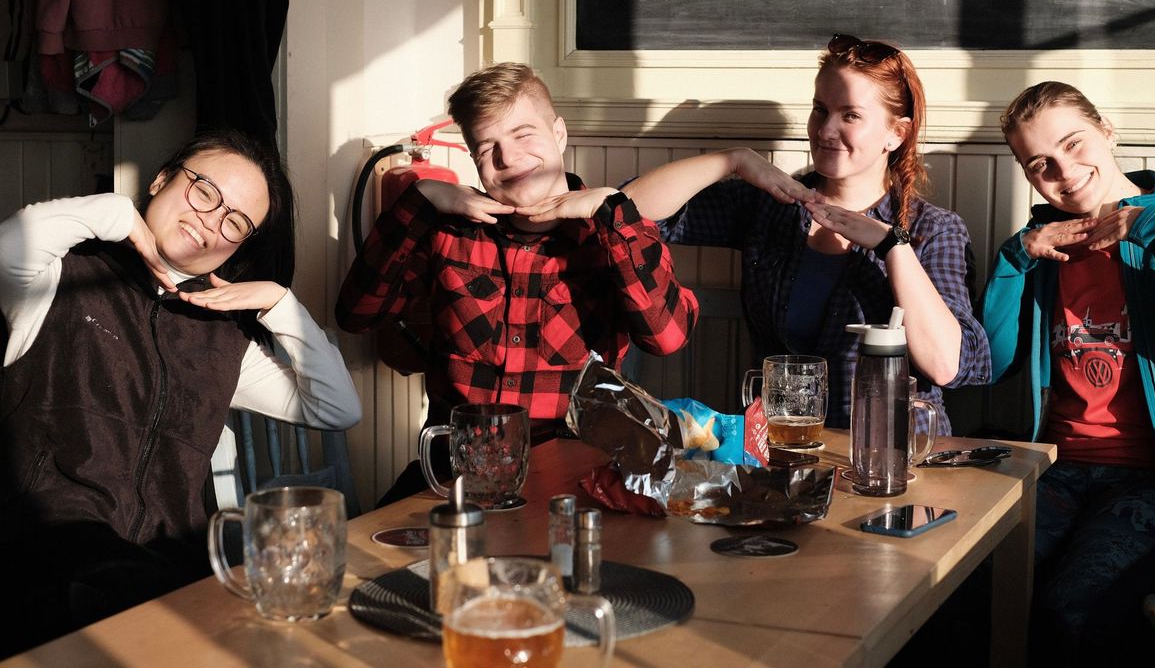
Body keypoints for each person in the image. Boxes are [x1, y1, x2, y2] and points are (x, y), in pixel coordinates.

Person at [0, 130, 361, 657]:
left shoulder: (223, 338)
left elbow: (337, 408)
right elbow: (13, 241)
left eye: (235, 222)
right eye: (203, 191)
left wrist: (279, 303)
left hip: (168, 576)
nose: (211, 220)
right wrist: (121, 216)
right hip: (40, 572)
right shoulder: (58, 280)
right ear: (162, 179)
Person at [337, 62, 698, 501]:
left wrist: (610, 209)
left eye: (524, 134)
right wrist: (420, 199)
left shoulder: (613, 233)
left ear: (559, 134)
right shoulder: (448, 232)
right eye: (487, 147)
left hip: (572, 479)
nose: (508, 158)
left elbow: (668, 338)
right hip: (456, 477)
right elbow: (356, 316)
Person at [623, 34, 990, 432]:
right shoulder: (770, 205)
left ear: (896, 133)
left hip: (893, 460)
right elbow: (626, 212)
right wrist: (735, 159)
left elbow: (947, 366)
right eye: (820, 110)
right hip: (786, 452)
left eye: (850, 115)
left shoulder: (933, 230)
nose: (826, 130)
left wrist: (891, 246)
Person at [980, 81, 1155, 665]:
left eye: (1076, 145)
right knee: (964, 582)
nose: (1065, 172)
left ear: (1107, 132)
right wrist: (1014, 258)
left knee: (1075, 607)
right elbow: (993, 365)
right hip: (1059, 468)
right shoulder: (1043, 250)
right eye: (1040, 164)